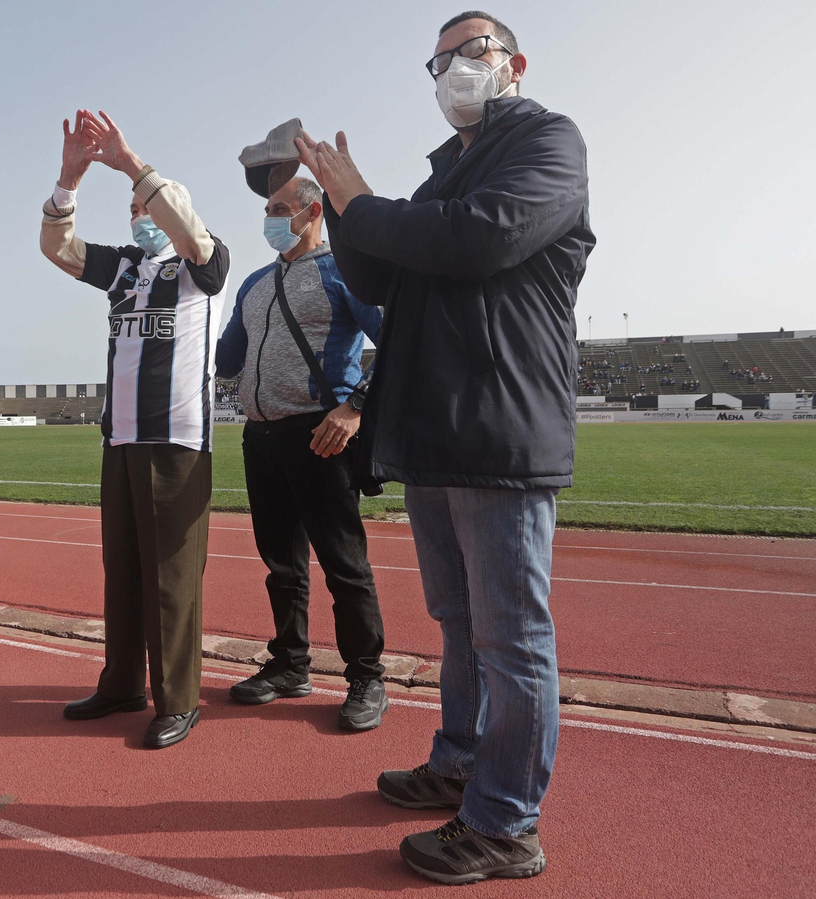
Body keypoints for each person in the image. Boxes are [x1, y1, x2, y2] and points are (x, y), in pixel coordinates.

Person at [295, 10, 594, 885]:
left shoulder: (549, 142)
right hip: (434, 430)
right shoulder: (440, 176)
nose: (454, 69)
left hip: (501, 427)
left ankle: (506, 823)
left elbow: (480, 238)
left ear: (513, 62)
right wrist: (347, 215)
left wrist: (362, 203)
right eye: (439, 62)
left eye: (472, 51)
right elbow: (383, 276)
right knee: (460, 625)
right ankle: (458, 762)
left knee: (511, 635)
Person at [40, 110, 231, 749]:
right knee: (121, 572)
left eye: (145, 206)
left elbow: (183, 224)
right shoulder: (124, 269)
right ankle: (122, 683)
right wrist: (69, 182)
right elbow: (57, 248)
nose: (138, 217)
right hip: (119, 439)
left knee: (171, 579)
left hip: (175, 441)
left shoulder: (202, 264)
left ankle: (178, 699)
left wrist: (128, 162)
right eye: (130, 209)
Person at [212, 171, 389, 730]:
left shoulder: (345, 273)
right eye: (268, 207)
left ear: (313, 212)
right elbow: (227, 359)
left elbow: (399, 339)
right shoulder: (253, 283)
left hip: (319, 435)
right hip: (260, 437)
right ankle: (289, 664)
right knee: (281, 563)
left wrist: (355, 407)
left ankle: (366, 676)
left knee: (343, 563)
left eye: (281, 206)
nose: (269, 217)